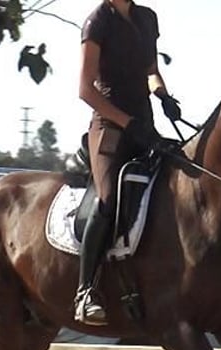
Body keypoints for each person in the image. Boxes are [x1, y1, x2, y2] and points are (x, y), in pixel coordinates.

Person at [74, 0, 181, 326]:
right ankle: (86, 290)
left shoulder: (147, 18)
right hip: (109, 127)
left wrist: (163, 96)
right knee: (108, 200)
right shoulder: (97, 21)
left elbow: (151, 72)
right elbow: (85, 90)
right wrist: (125, 121)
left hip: (144, 125)